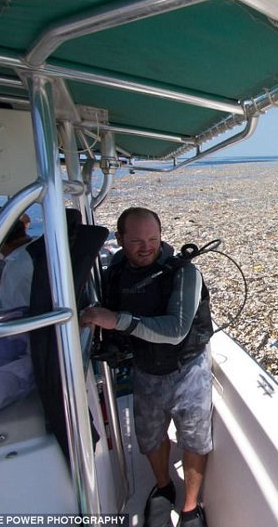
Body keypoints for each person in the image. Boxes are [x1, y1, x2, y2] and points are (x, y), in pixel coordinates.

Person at [81, 208, 213, 527]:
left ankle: (191, 507)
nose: (146, 247)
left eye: (153, 239)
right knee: (150, 437)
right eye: (137, 240)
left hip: (187, 368)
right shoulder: (116, 272)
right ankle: (163, 487)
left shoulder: (183, 273)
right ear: (120, 239)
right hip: (145, 367)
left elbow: (176, 329)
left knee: (194, 438)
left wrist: (118, 321)